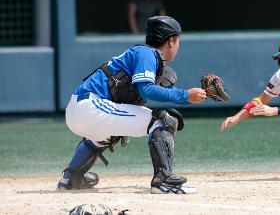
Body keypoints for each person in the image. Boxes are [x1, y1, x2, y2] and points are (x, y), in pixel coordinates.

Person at [57, 16, 207, 194]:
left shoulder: (144, 55)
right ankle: (163, 180)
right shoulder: (147, 54)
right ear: (172, 40)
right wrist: (186, 95)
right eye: (178, 41)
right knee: (163, 120)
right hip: (91, 106)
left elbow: (164, 92)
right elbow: (147, 90)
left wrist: (194, 97)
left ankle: (71, 178)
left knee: (104, 135)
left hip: (79, 109)